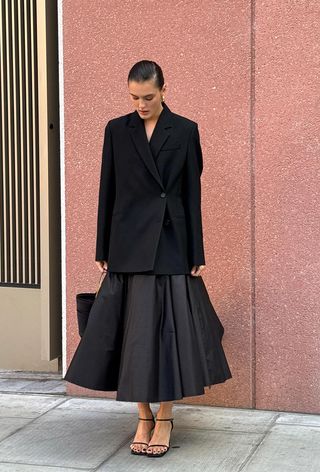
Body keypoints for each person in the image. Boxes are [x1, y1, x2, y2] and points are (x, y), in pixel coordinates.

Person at [63, 60, 232, 458]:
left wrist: (197, 251)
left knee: (171, 333)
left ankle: (166, 416)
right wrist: (102, 247)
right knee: (134, 335)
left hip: (172, 242)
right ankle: (143, 416)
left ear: (164, 91)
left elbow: (192, 193)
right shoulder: (116, 130)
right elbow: (109, 188)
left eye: (148, 97)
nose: (141, 104)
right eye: (134, 97)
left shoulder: (186, 130)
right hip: (127, 242)